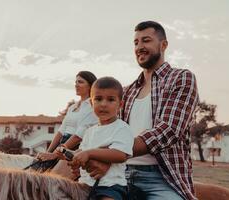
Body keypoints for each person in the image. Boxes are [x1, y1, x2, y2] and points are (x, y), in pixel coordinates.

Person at [85, 21, 199, 200]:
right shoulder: (127, 91)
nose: (140, 47)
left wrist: (112, 154)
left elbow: (168, 130)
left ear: (164, 45)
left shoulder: (181, 78)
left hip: (162, 178)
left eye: (146, 40)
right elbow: (109, 130)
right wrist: (102, 157)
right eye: (136, 43)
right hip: (121, 173)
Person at [70, 77, 134, 200]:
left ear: (120, 104)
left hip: (110, 186)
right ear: (91, 103)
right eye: (98, 99)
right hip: (85, 184)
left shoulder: (122, 128)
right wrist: (72, 156)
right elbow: (81, 151)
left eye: (110, 100)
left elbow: (120, 155)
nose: (104, 104)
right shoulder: (89, 131)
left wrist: (89, 153)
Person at [36, 71, 98, 162]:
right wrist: (48, 152)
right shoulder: (72, 107)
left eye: (80, 82)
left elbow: (78, 136)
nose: (76, 85)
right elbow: (61, 131)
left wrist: (54, 154)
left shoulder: (92, 106)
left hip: (76, 148)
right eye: (75, 82)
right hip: (62, 145)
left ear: (90, 85)